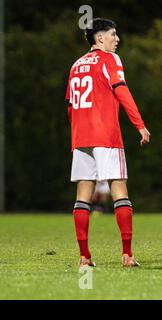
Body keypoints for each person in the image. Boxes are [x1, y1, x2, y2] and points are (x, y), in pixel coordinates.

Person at [65, 18, 151, 267]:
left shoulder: (76, 64)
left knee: (83, 195)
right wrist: (139, 124)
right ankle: (127, 254)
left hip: (81, 137)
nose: (117, 39)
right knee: (119, 190)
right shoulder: (109, 59)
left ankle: (84, 256)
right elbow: (121, 89)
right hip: (106, 135)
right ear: (99, 38)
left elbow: (70, 106)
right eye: (113, 34)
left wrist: (77, 134)